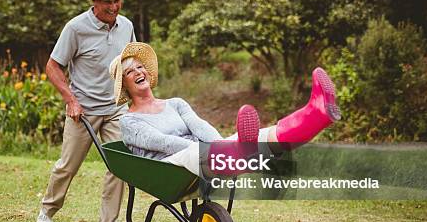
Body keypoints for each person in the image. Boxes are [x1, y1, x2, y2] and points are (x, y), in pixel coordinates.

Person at [108, 42, 341, 175]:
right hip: (168, 168)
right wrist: (217, 149)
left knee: (262, 136)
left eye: (140, 67)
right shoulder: (129, 121)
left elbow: (201, 126)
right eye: (130, 72)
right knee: (196, 151)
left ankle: (316, 114)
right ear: (125, 86)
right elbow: (163, 143)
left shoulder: (175, 103)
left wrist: (223, 144)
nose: (138, 72)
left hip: (204, 156)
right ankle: (239, 152)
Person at [36, 0, 136, 222]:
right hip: (84, 110)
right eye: (108, 3)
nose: (113, 7)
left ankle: (109, 221)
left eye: (117, 1)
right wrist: (71, 100)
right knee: (68, 165)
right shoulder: (76, 28)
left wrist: (135, 98)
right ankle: (47, 209)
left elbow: (131, 64)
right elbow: (53, 66)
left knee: (119, 164)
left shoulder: (126, 26)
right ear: (95, 2)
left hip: (115, 108)